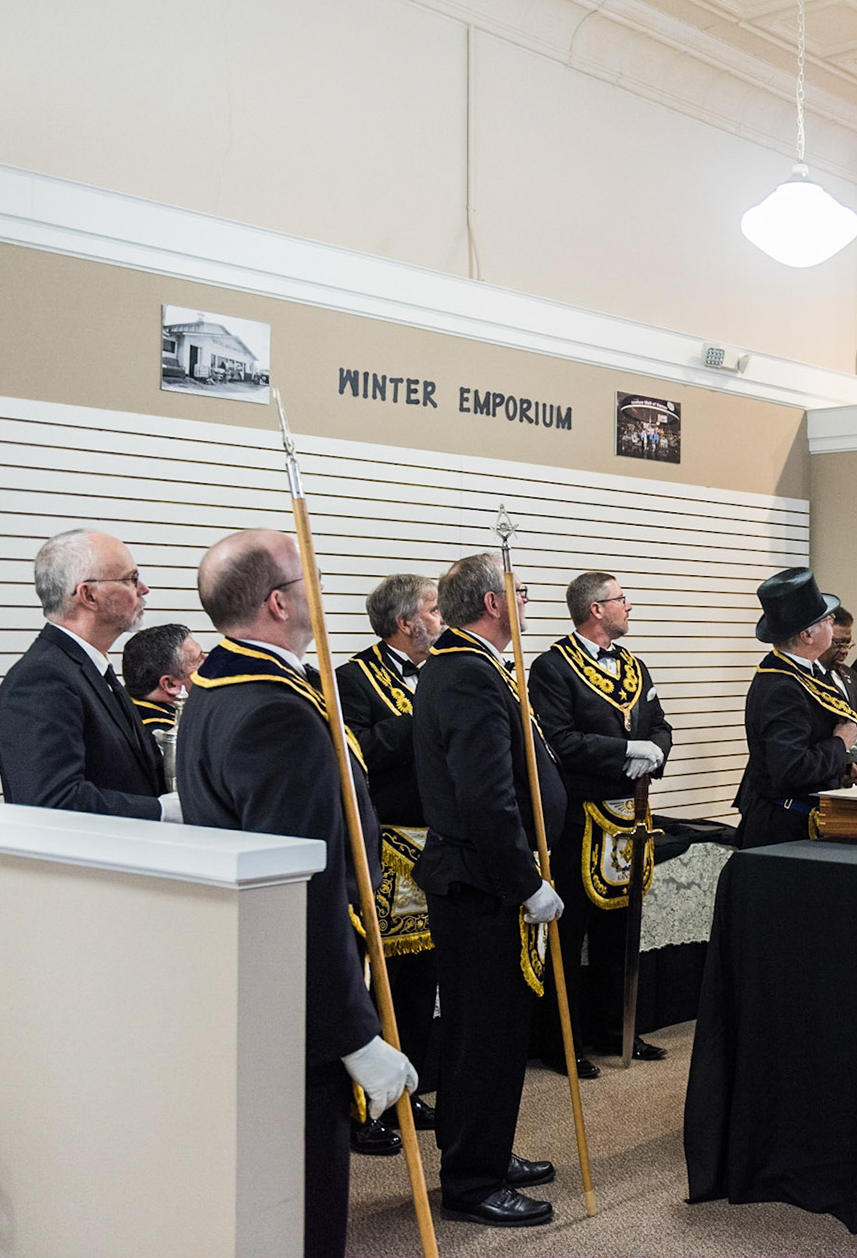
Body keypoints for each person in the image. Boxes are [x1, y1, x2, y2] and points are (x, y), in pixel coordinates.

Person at [176, 529, 415, 1258]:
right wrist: (355, 1034)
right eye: (307, 577)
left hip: (270, 986)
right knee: (307, 1205)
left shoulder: (223, 682)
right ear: (278, 602)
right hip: (301, 1005)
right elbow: (302, 888)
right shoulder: (275, 706)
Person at [413, 553, 566, 1228]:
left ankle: (483, 1149)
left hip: (479, 876)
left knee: (490, 1032)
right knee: (485, 1034)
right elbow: (487, 797)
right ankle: (472, 1181)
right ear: (494, 603)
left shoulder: (464, 665)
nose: (528, 602)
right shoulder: (469, 673)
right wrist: (526, 881)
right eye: (522, 592)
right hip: (482, 880)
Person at [530, 571, 674, 1064]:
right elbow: (559, 741)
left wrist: (654, 751)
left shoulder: (635, 665)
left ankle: (617, 1030)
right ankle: (562, 1043)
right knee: (570, 939)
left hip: (631, 814)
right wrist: (624, 751)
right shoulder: (552, 667)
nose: (628, 607)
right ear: (596, 609)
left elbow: (661, 724)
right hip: (578, 819)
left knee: (621, 933)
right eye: (621, 599)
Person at [335, 573, 443, 1154]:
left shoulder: (449, 669)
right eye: (433, 608)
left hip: (436, 847)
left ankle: (410, 1086)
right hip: (383, 850)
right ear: (406, 623)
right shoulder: (352, 677)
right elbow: (360, 751)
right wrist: (422, 722)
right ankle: (366, 1109)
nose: (443, 617)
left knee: (422, 980)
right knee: (377, 979)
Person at [0, 528, 177, 821]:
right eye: (131, 578)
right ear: (88, 595)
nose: (144, 589)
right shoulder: (42, 681)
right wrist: (165, 811)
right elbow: (53, 802)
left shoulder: (90, 669)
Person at [733, 567, 857, 848]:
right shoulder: (783, 686)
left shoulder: (808, 672)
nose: (832, 623)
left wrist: (845, 764)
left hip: (803, 821)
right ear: (807, 634)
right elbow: (790, 768)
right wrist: (839, 745)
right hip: (785, 830)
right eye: (827, 620)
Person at [121, 621, 201, 742]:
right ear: (170, 684)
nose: (209, 662)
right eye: (198, 660)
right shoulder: (165, 736)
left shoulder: (124, 710)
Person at [819, 605, 857, 715]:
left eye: (847, 643)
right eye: (838, 643)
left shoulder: (855, 679)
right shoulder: (804, 678)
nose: (844, 650)